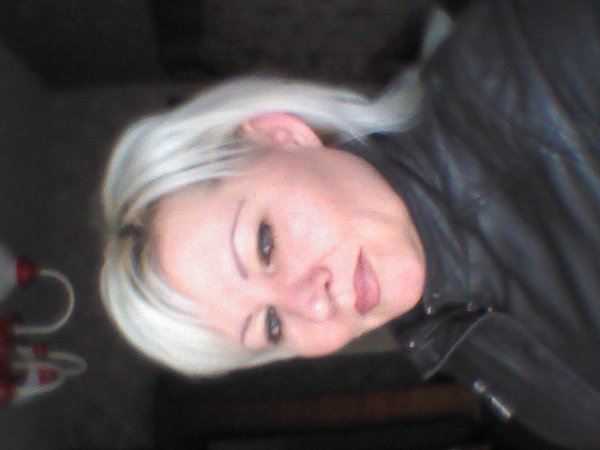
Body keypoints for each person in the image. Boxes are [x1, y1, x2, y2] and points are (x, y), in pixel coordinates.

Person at [100, 1, 600, 448]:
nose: (313, 304)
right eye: (272, 325)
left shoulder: (556, 56)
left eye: (265, 245)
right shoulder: (437, 326)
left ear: (281, 135)